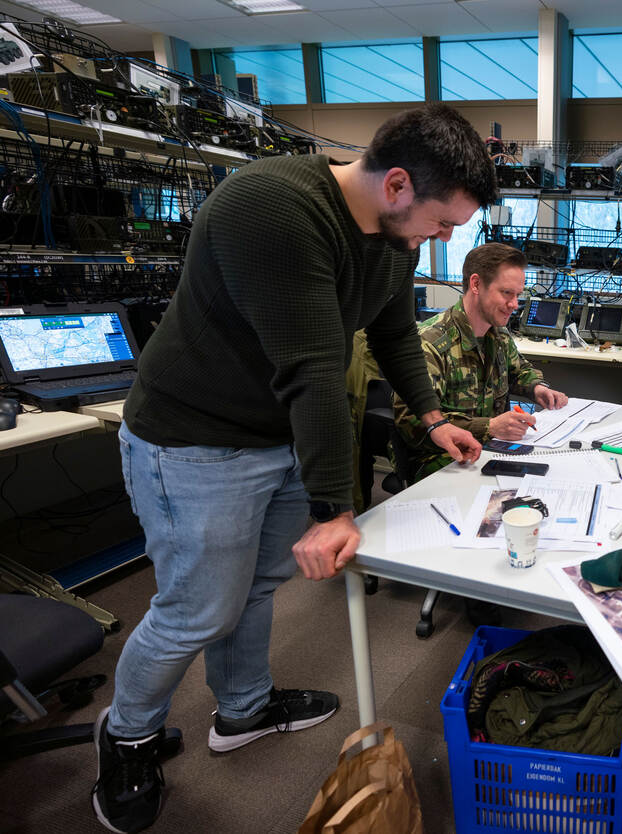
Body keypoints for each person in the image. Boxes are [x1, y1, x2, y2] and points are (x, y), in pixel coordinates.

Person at [93, 104, 498, 833]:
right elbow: (313, 370)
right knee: (196, 609)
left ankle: (243, 709)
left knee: (256, 586)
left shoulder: (393, 236)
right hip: (193, 440)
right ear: (397, 184)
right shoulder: (274, 206)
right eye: (443, 222)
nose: (445, 239)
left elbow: (394, 333)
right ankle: (127, 736)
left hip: (276, 436)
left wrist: (435, 418)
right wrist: (333, 509)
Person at [392, 242, 569, 480]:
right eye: (506, 293)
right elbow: (414, 420)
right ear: (476, 284)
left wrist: (538, 388)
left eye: (518, 295)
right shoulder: (430, 343)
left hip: (491, 451)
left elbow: (518, 371)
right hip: (442, 461)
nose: (515, 305)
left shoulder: (497, 334)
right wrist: (490, 427)